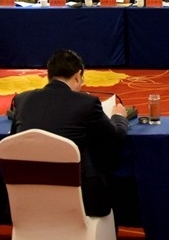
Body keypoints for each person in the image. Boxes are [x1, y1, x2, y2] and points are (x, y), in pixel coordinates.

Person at [10, 49, 128, 218]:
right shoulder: (87, 103)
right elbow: (114, 138)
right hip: (81, 201)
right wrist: (119, 117)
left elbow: (14, 139)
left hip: (28, 201)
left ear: (49, 75)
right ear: (78, 76)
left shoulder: (22, 100)